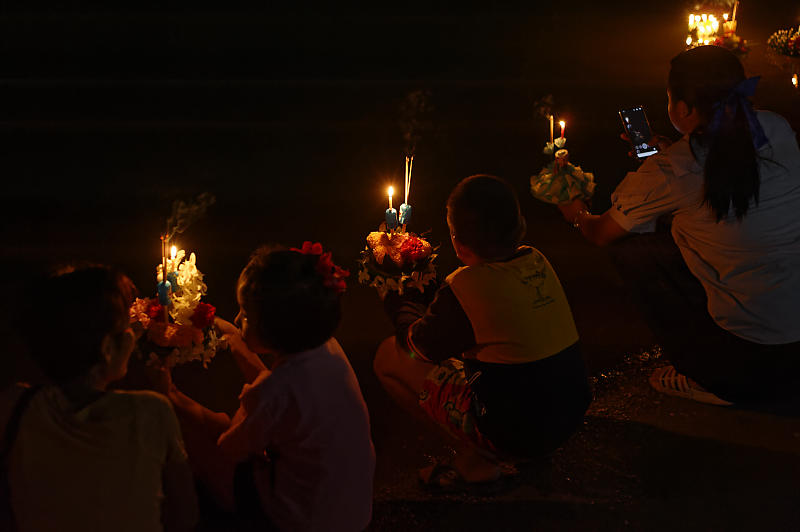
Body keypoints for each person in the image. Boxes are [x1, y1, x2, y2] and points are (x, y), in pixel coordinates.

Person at [558, 45, 800, 405]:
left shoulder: (671, 171)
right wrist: (673, 152)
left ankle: (709, 377)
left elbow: (600, 232)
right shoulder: (775, 126)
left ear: (683, 109)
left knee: (629, 245)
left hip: (755, 360)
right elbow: (723, 170)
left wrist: (574, 210)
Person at [375, 174, 591, 488]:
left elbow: (415, 346)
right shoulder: (536, 260)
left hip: (518, 432)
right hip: (569, 415)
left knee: (387, 358)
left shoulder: (466, 286)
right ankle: (515, 450)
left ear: (457, 242)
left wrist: (396, 291)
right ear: (519, 227)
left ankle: (480, 459)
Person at [151, 243, 375, 532]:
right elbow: (281, 392)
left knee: (196, 442)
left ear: (274, 328)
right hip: (353, 510)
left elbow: (228, 445)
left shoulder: (274, 391)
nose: (236, 319)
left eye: (244, 315)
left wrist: (171, 395)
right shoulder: (328, 349)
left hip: (305, 521)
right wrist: (233, 336)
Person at [0, 265, 198, 532]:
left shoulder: (15, 407)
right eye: (126, 328)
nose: (132, 333)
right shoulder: (150, 411)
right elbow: (185, 514)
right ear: (107, 348)